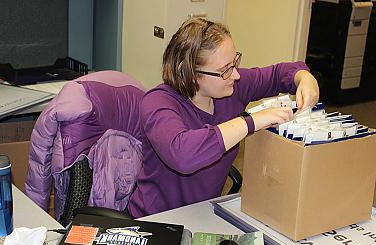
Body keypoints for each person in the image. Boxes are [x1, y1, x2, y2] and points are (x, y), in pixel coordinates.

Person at [127, 18, 319, 218]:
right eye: (225, 70)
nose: (235, 75)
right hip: (153, 222)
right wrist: (250, 121)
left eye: (234, 62)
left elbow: (279, 73)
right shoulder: (158, 102)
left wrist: (305, 78)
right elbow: (182, 154)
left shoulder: (232, 87)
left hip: (201, 216)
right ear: (192, 74)